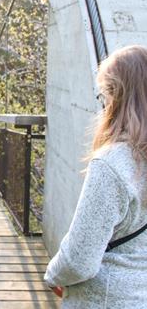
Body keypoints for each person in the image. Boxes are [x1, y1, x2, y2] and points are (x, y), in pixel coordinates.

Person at [45, 45, 147, 308]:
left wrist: (53, 274)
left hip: (106, 300)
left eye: (104, 97)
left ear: (116, 97)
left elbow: (79, 261)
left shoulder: (113, 163)